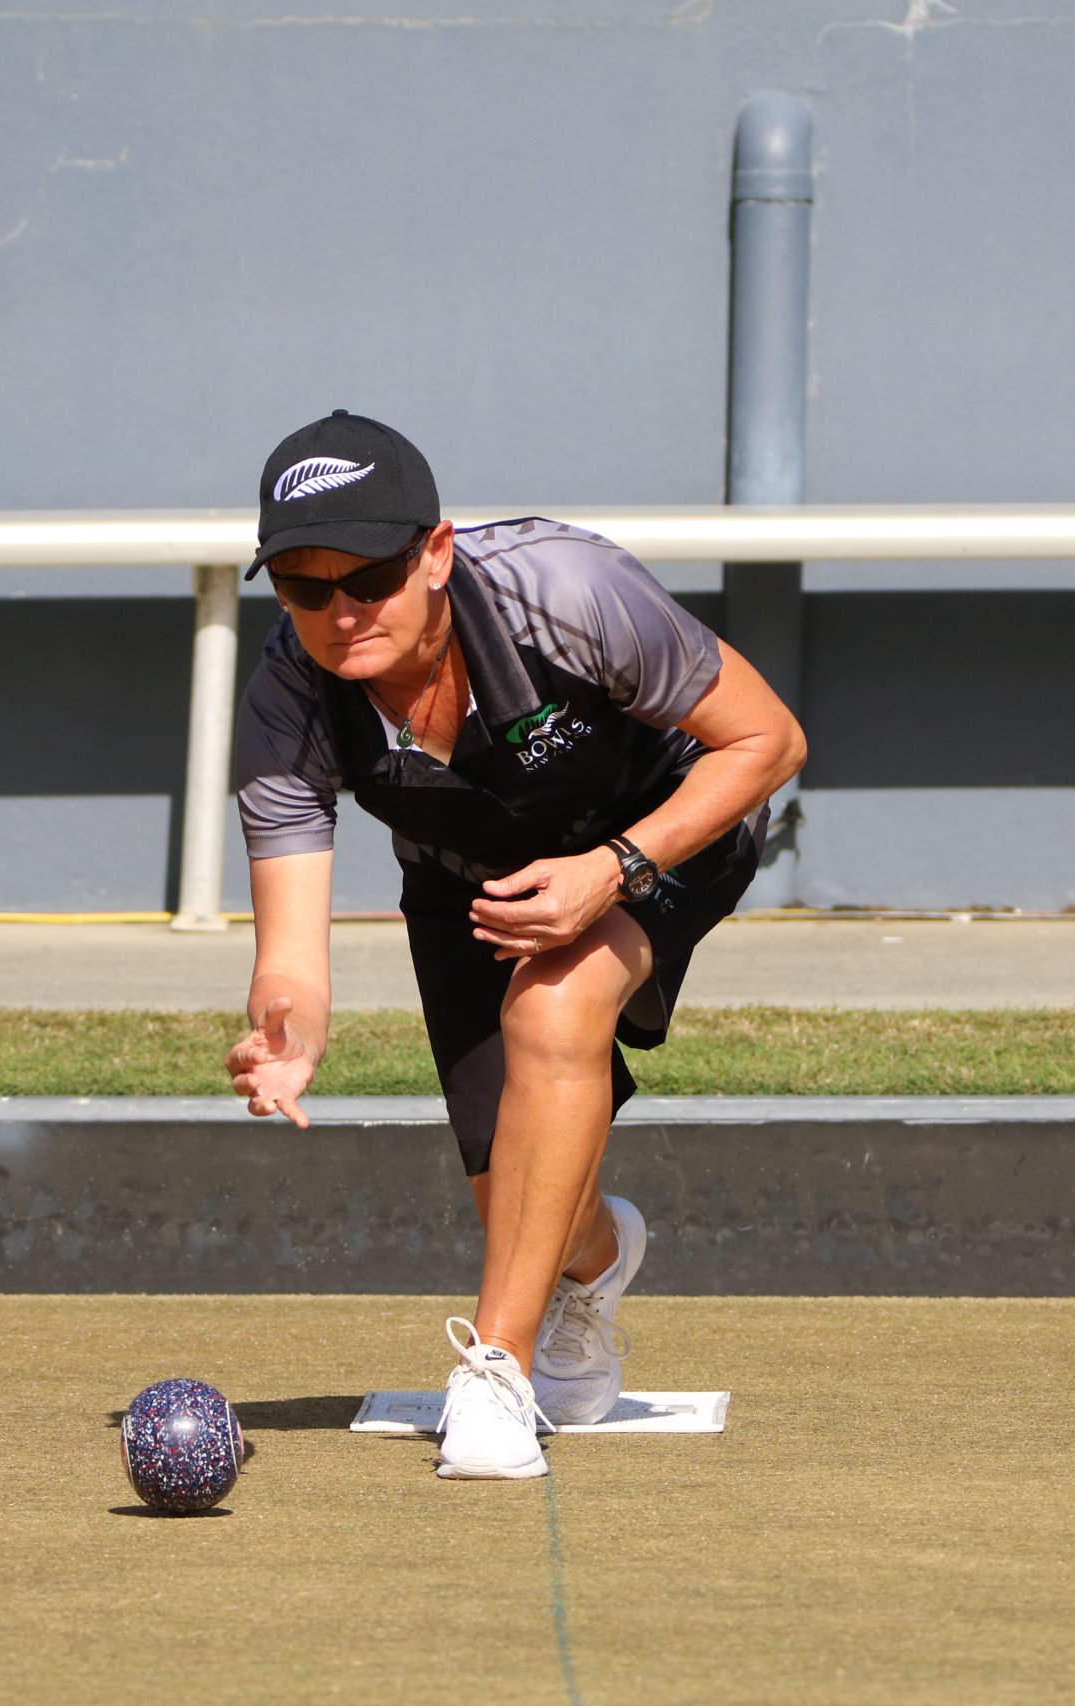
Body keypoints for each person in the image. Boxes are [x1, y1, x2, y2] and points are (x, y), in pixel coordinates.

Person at [223, 411, 805, 1480]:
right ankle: (596, 1261)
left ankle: (497, 1370)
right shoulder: (286, 700)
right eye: (307, 588)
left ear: (435, 552)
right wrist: (288, 1030)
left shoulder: (567, 591)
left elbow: (769, 738)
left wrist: (613, 868)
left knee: (554, 1005)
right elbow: (291, 948)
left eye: (372, 576)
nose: (343, 611)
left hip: (669, 823)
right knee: (523, 1205)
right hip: (471, 885)